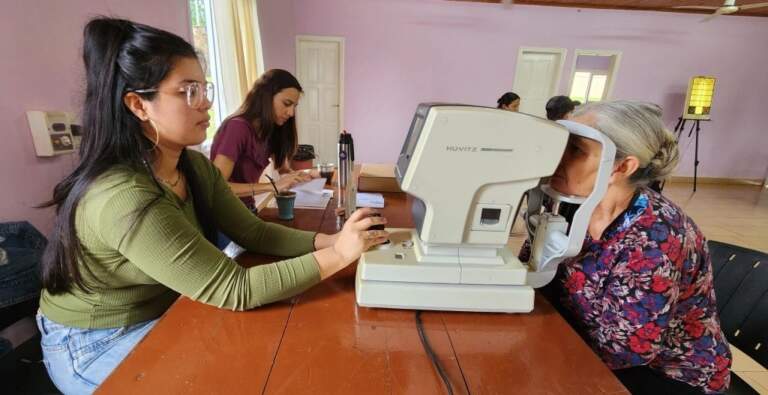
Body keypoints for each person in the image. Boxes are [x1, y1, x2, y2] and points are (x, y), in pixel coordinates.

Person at [36, 17, 388, 394]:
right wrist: (339, 256)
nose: (205, 103)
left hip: (167, 308)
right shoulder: (122, 195)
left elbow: (252, 230)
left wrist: (334, 241)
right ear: (139, 105)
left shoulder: (193, 166)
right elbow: (234, 288)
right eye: (188, 91)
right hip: (95, 341)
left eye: (205, 88)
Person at [542, 101, 731, 394]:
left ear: (621, 166)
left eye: (576, 150)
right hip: (578, 344)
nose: (556, 158)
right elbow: (533, 278)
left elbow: (627, 351)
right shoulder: (567, 206)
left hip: (667, 375)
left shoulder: (655, 238)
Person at [210, 69, 313, 212]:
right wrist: (272, 186)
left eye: (294, 106)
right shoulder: (237, 128)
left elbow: (283, 169)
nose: (290, 113)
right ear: (266, 97)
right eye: (286, 103)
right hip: (225, 215)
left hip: (247, 210)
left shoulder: (270, 129)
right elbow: (216, 187)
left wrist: (300, 176)